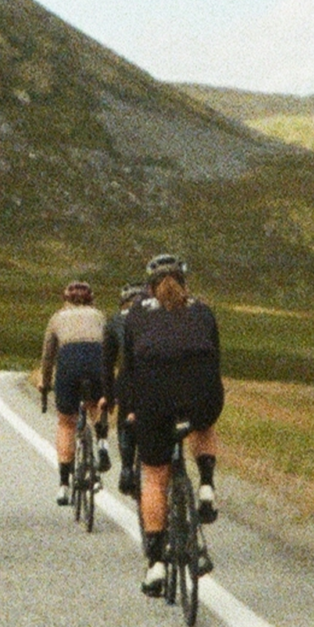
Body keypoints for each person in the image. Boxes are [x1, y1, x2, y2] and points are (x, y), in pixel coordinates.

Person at [114, 252, 223, 594]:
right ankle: (206, 485)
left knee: (155, 476)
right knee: (203, 424)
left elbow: (128, 369)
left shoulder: (135, 314)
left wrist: (130, 409)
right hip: (201, 395)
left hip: (155, 399)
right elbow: (215, 359)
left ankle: (157, 564)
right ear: (184, 282)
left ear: (149, 287)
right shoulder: (203, 310)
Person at [37, 279, 110, 505]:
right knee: (96, 405)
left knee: (66, 423)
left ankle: (63, 485)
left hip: (69, 360)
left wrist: (45, 382)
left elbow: (48, 356)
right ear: (91, 299)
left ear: (65, 300)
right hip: (96, 359)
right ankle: (102, 444)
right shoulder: (99, 316)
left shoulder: (57, 318)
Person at [106, 283, 146, 496]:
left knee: (125, 422)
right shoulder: (155, 314)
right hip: (154, 377)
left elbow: (107, 363)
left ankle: (127, 468)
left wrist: (109, 396)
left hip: (127, 379)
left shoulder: (116, 321)